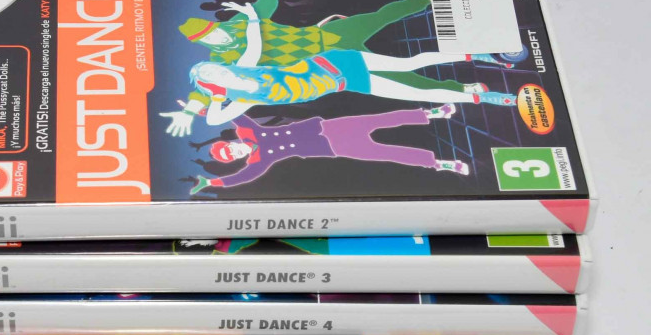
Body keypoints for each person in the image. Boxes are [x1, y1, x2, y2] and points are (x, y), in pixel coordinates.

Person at [161, 0, 513, 137]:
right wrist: (191, 110)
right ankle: (465, 89)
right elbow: (208, 93)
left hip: (327, 42)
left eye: (212, 28)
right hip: (338, 76)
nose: (216, 35)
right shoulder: (226, 67)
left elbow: (264, 8)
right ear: (204, 45)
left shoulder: (240, 35)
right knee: (409, 84)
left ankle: (426, 0)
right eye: (208, 37)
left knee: (382, 22)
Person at [188, 105, 470, 196]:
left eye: (230, 150)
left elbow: (234, 116)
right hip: (331, 147)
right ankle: (439, 163)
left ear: (231, 143)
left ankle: (431, 113)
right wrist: (212, 182)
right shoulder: (260, 159)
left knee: (380, 118)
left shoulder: (249, 131)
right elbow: (244, 177)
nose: (235, 154)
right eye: (232, 158)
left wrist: (202, 110)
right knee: (388, 153)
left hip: (327, 127)